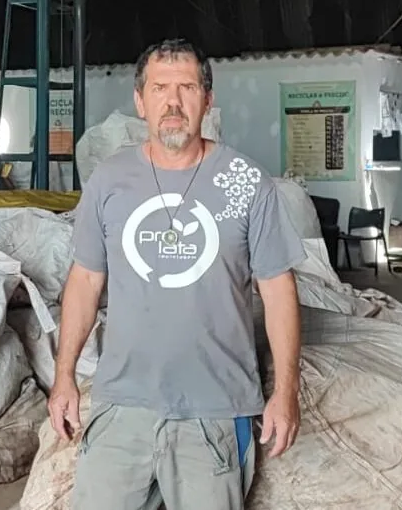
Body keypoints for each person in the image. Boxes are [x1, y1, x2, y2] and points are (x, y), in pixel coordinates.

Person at [48, 38, 305, 510]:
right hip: (122, 407)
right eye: (159, 87)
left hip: (215, 412)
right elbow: (85, 282)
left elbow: (278, 289)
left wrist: (286, 393)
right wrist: (63, 376)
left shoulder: (247, 182)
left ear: (208, 99)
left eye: (187, 87)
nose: (173, 101)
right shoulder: (108, 180)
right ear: (139, 100)